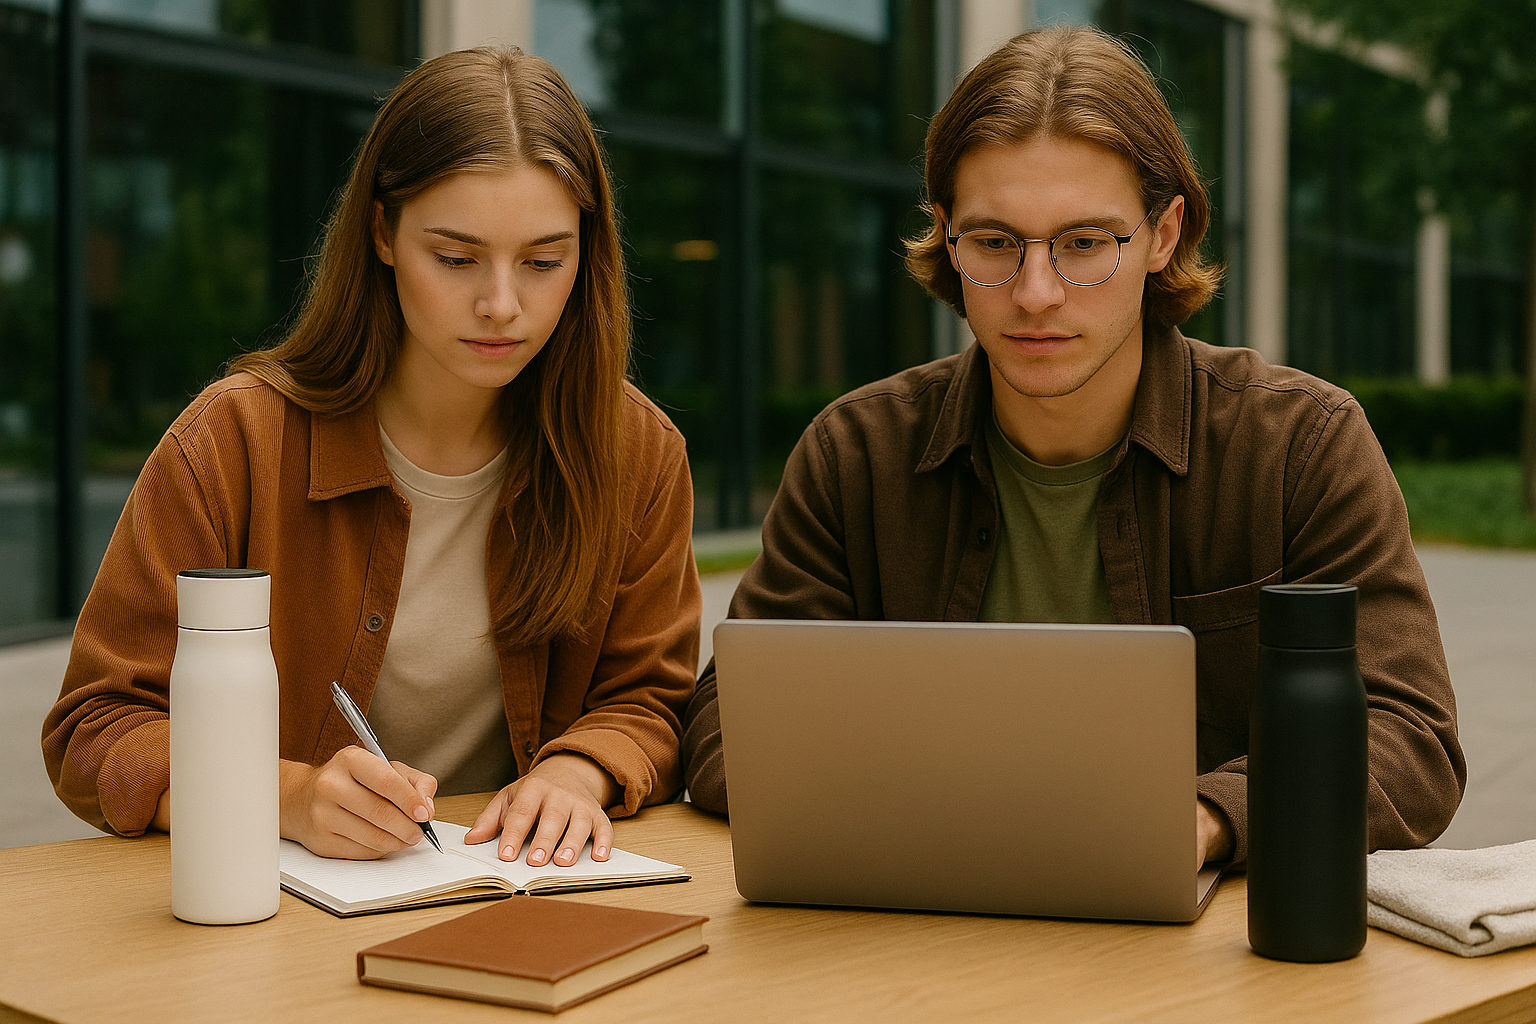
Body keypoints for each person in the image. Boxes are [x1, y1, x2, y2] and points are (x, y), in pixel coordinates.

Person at [680, 25, 1463, 869]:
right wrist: (935, 810)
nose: (1036, 293)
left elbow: (1410, 739)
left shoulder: (1299, 445)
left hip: (1205, 952)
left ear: (1164, 235)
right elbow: (730, 718)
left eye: (1085, 244)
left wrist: (1205, 819)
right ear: (946, 234)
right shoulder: (855, 454)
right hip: (919, 928)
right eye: (995, 244)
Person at [43, 47, 701, 869]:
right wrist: (282, 796)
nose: (502, 304)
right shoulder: (235, 442)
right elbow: (97, 725)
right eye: (456, 259)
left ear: (587, 253)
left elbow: (649, 699)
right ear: (383, 233)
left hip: (514, 899)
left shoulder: (635, 453)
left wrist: (577, 770)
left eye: (543, 261)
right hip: (270, 920)